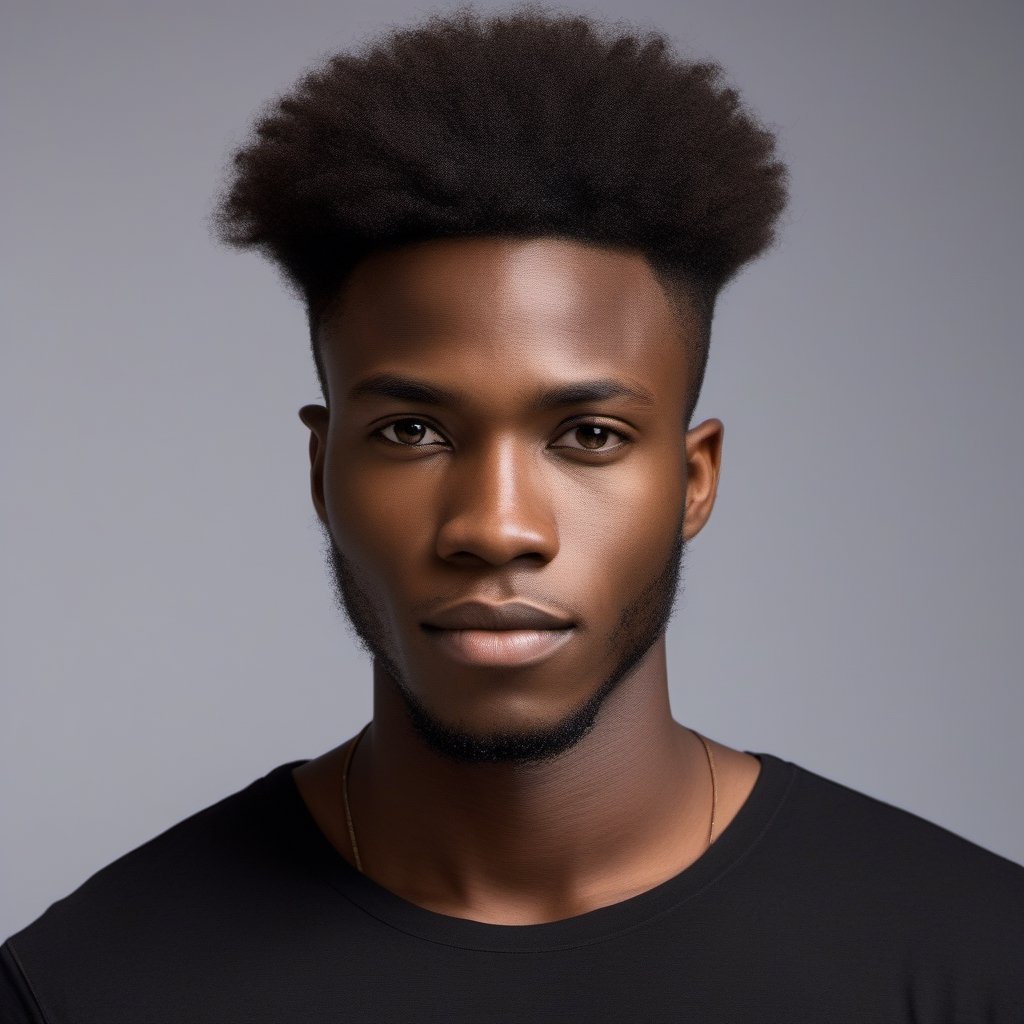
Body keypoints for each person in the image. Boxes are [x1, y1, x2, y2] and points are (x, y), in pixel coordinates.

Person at [3, 6, 1021, 1022]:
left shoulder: (977, 961)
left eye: (588, 435)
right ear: (322, 469)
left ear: (694, 478)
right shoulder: (87, 988)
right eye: (412, 432)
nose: (495, 527)